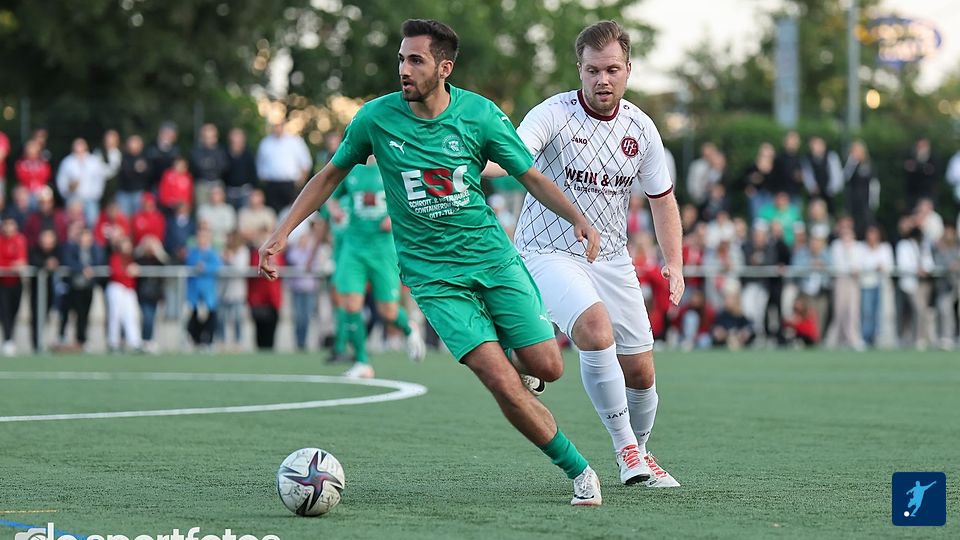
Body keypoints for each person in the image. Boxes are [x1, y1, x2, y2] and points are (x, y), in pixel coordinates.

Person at [258, 19, 604, 506]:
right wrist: (282, 231)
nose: (404, 69)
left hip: (492, 259)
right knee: (499, 381)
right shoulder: (375, 119)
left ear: (444, 68)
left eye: (416, 60)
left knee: (548, 365)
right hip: (433, 277)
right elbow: (329, 175)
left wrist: (579, 219)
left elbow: (531, 176)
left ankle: (520, 361)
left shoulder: (480, 116)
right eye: (401, 59)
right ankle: (579, 470)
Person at [483, 20, 682, 488]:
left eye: (612, 69)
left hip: (610, 258)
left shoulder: (641, 128)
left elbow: (663, 199)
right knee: (595, 329)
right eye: (593, 70)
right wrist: (460, 159)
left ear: (628, 69)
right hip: (546, 250)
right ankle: (625, 451)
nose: (602, 79)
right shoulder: (552, 114)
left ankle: (642, 450)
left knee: (641, 369)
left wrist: (674, 262)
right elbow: (509, 159)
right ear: (580, 70)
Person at [325, 156, 426, 377]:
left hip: (383, 251)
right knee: (350, 304)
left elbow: (413, 199)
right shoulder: (351, 168)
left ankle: (409, 327)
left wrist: (395, 218)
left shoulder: (392, 164)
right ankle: (362, 362)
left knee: (388, 311)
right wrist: (335, 211)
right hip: (354, 248)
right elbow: (331, 196)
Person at [256, 122, 312, 214]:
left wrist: (300, 183)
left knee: (292, 212)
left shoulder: (295, 141)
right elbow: (260, 164)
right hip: (271, 185)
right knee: (273, 213)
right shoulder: (265, 143)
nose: (277, 128)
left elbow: (306, 163)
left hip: (290, 184)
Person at [106, 235, 143, 353]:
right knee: (115, 315)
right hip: (117, 288)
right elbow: (116, 273)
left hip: (129, 289)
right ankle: (113, 342)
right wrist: (128, 272)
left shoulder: (131, 259)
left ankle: (135, 342)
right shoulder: (115, 257)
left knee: (131, 315)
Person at [0, 217, 27, 355]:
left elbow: (21, 261)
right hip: (2, 283)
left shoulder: (19, 239)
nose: (9, 228)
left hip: (16, 282)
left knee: (14, 311)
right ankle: (8, 340)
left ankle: (10, 338)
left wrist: (15, 265)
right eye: (7, 225)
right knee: (4, 311)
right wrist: (10, 266)